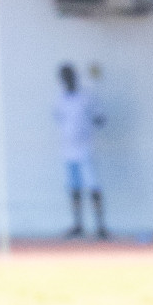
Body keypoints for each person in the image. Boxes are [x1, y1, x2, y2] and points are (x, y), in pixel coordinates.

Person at [54, 63, 108, 240]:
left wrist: (93, 121)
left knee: (93, 185)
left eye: (69, 76)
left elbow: (100, 119)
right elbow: (59, 118)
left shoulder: (87, 97)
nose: (67, 80)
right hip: (68, 150)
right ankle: (78, 225)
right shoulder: (60, 99)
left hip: (85, 149)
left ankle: (100, 226)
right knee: (74, 187)